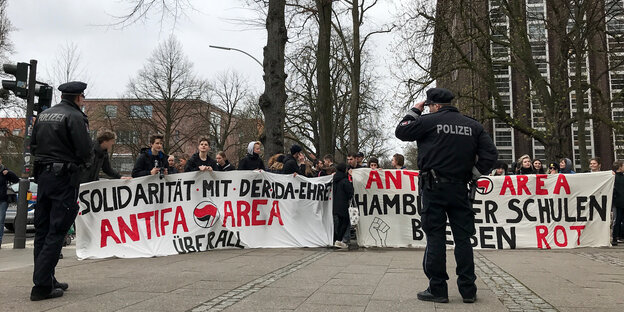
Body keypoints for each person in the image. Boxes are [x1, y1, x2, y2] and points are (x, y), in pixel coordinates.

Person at [395, 87, 498, 304]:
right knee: (463, 239)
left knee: (436, 237)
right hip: (461, 188)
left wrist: (415, 110)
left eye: (429, 105)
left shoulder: (428, 121)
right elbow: (491, 155)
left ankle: (438, 289)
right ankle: (468, 290)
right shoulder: (473, 125)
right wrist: (473, 173)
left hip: (433, 188)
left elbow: (402, 131)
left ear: (434, 105)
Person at [29, 81, 92, 301]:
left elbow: (33, 146)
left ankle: (47, 278)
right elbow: (85, 150)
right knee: (57, 231)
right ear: (78, 97)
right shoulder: (75, 117)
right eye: (82, 97)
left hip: (44, 176)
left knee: (43, 231)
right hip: (64, 178)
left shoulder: (45, 115)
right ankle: (41, 287)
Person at [332, 163, 354, 249]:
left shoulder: (335, 179)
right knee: (345, 222)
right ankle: (339, 240)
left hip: (335, 204)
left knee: (340, 223)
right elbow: (350, 191)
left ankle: (338, 240)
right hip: (343, 204)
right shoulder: (344, 180)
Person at [0, 156, 19, 247]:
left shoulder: (4, 171)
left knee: (0, 220)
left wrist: (9, 173)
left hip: (2, 199)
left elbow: (16, 180)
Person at [612, 160, 624, 246]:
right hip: (618, 202)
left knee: (618, 220)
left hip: (619, 201)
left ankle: (618, 236)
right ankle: (615, 237)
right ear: (620, 167)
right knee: (617, 220)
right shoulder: (614, 177)